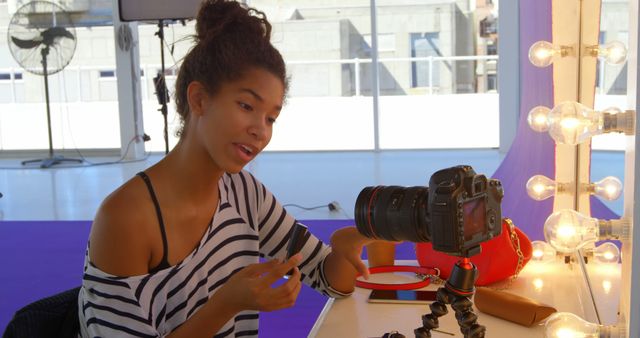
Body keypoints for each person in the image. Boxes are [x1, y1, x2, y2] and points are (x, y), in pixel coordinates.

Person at [77, 0, 378, 337]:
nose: (260, 130)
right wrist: (226, 304)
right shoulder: (125, 217)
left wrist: (347, 247)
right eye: (246, 105)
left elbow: (327, 278)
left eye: (271, 118)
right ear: (199, 99)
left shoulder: (244, 193)